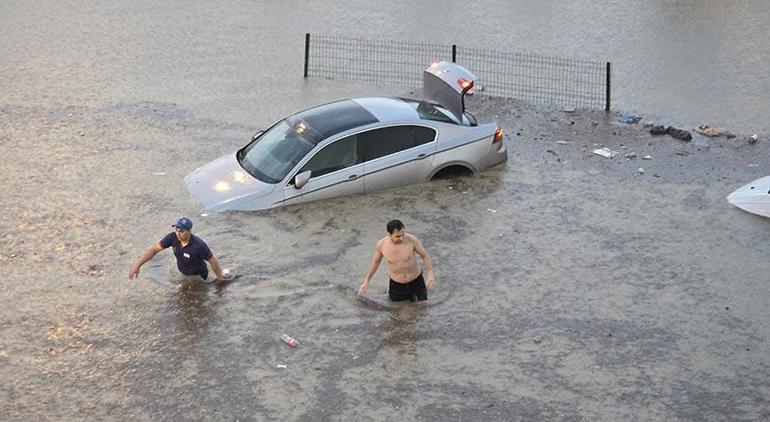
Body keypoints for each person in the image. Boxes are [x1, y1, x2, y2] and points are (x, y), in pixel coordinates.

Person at [128, 217, 228, 282]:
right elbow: (154, 249)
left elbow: (213, 261)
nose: (178, 233)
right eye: (176, 230)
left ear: (189, 231)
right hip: (184, 274)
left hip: (199, 277)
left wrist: (220, 278)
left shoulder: (199, 246)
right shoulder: (172, 238)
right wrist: (138, 264)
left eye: (181, 231)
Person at [358, 219, 436, 302]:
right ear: (389, 234)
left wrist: (430, 274)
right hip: (396, 285)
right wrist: (366, 281)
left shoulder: (411, 240)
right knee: (396, 310)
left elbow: (425, 255)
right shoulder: (381, 245)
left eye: (403, 234)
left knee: (423, 307)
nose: (401, 238)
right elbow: (376, 262)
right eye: (398, 236)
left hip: (416, 282)